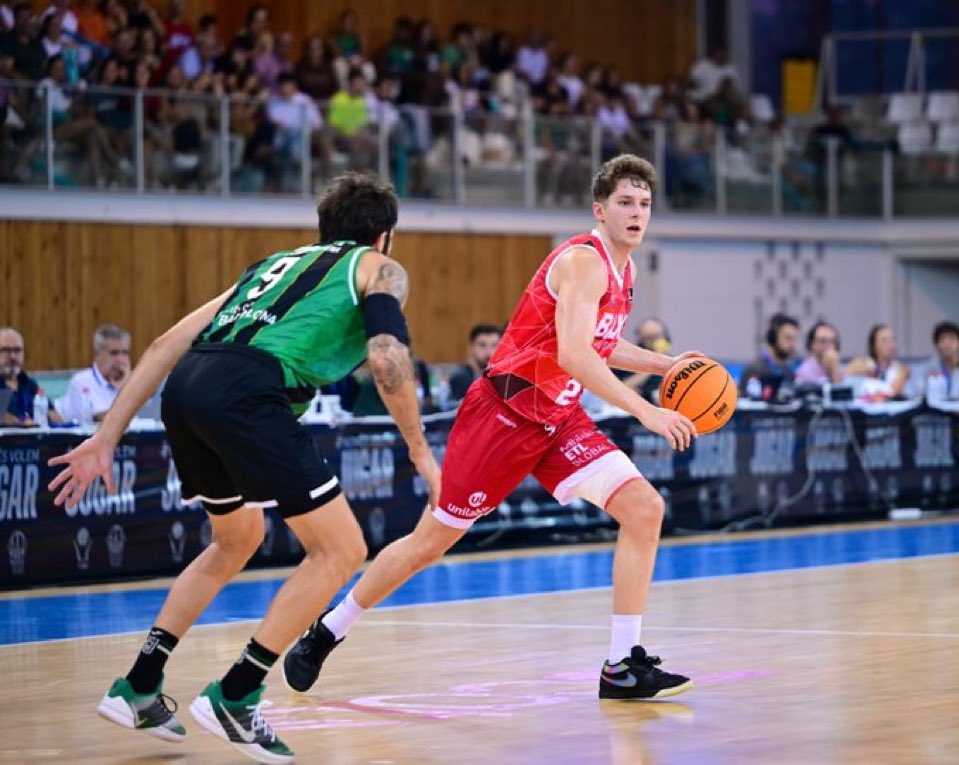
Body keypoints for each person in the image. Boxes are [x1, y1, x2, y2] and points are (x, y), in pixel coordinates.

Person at [47, 173, 441, 764]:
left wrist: (107, 436)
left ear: (323, 227)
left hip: (189, 388)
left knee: (236, 540)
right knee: (340, 550)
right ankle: (237, 693)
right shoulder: (380, 269)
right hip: (249, 392)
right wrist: (418, 446)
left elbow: (162, 344)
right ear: (383, 236)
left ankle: (139, 684)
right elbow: (387, 355)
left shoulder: (269, 268)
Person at [284, 154, 700, 702]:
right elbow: (577, 355)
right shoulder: (584, 262)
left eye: (644, 204)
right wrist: (645, 410)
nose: (636, 213)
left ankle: (621, 665)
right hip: (503, 416)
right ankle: (329, 629)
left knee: (645, 508)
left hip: (557, 419)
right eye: (625, 202)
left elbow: (599, 344)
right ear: (600, 210)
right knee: (430, 542)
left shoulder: (626, 271)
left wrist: (667, 366)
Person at [56, 323, 131, 423]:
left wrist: (129, 386)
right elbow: (94, 420)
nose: (121, 359)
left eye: (125, 353)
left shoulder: (131, 381)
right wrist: (125, 392)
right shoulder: (81, 382)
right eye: (114, 353)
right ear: (97, 354)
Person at [0, 327, 64, 427]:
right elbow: (3, 417)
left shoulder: (29, 384)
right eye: (6, 350)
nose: (12, 357)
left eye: (17, 350)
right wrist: (22, 421)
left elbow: (54, 415)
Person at [739, 313, 799, 399]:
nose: (793, 345)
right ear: (773, 338)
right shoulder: (752, 370)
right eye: (788, 338)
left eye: (794, 339)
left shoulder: (790, 372)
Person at [845, 323, 910, 400]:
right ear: (873, 345)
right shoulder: (860, 364)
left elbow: (891, 392)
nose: (890, 345)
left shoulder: (901, 370)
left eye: (893, 339)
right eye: (884, 340)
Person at [447, 322, 501, 403]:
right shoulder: (460, 378)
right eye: (482, 345)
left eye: (494, 345)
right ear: (471, 347)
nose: (489, 352)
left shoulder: (499, 378)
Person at [919, 320, 959, 400]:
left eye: (951, 338)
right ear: (936, 344)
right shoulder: (928, 369)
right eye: (942, 339)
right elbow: (921, 394)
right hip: (936, 410)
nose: (947, 344)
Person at [794, 321, 843, 385]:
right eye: (822, 341)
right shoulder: (805, 372)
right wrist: (834, 371)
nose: (828, 345)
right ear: (811, 345)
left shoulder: (837, 367)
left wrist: (834, 369)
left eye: (831, 341)